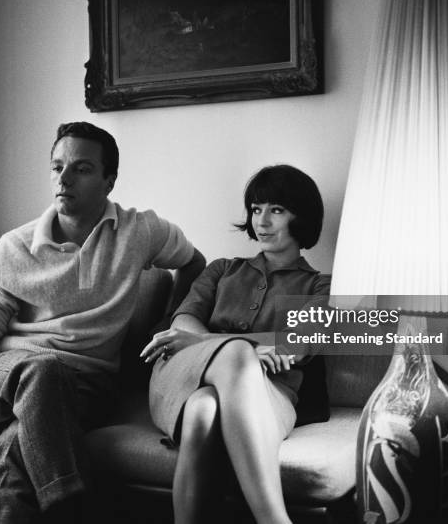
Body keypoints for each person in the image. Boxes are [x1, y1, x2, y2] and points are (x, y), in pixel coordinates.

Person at [0, 122, 205, 523]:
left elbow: (194, 263)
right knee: (43, 367)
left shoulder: (139, 230)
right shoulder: (14, 249)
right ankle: (70, 504)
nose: (64, 179)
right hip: (8, 377)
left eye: (82, 169)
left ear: (109, 181)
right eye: (57, 167)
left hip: (87, 388)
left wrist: (168, 320)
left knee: (15, 448)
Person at [141, 165, 330, 524]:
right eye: (257, 209)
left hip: (271, 394)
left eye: (277, 210)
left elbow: (299, 344)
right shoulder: (221, 269)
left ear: (301, 216)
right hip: (188, 377)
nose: (262, 220)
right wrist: (244, 349)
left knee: (203, 410)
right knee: (231, 362)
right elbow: (183, 323)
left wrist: (226, 346)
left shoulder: (321, 287)